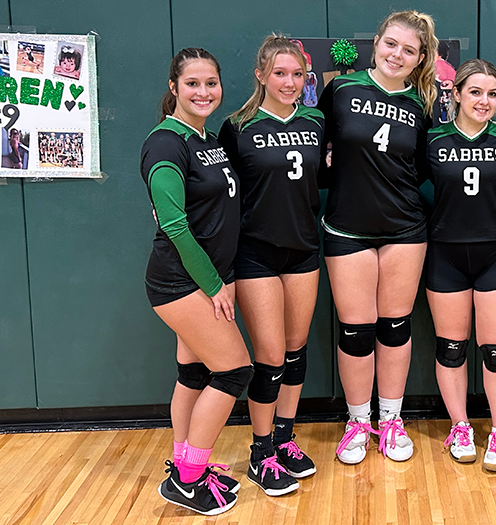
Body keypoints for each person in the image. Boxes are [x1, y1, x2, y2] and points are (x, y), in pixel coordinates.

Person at [317, 10, 437, 464]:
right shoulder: (342, 89)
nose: (397, 54)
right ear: (376, 42)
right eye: (391, 43)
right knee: (355, 331)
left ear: (420, 57)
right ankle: (357, 421)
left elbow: (424, 168)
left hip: (405, 229)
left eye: (408, 49)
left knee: (394, 326)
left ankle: (390, 418)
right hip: (346, 226)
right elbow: (315, 146)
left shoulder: (422, 105)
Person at [142, 47, 253, 515]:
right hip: (180, 281)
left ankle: (183, 460)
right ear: (174, 88)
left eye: (211, 83)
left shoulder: (205, 139)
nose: (203, 92)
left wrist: (222, 276)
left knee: (193, 373)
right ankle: (188, 481)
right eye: (192, 84)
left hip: (206, 277)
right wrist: (213, 285)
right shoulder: (166, 143)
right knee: (233, 371)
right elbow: (174, 225)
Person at [218, 35, 324, 497]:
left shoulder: (317, 121)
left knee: (296, 351)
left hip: (303, 250)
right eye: (279, 73)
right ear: (261, 75)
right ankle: (260, 451)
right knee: (271, 356)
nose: (289, 82)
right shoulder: (236, 126)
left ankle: (284, 437)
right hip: (256, 253)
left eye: (297, 74)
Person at [425, 59, 496, 471]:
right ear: (457, 94)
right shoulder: (430, 140)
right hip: (445, 254)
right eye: (476, 92)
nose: (485, 101)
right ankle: (460, 425)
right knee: (451, 349)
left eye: (492, 93)